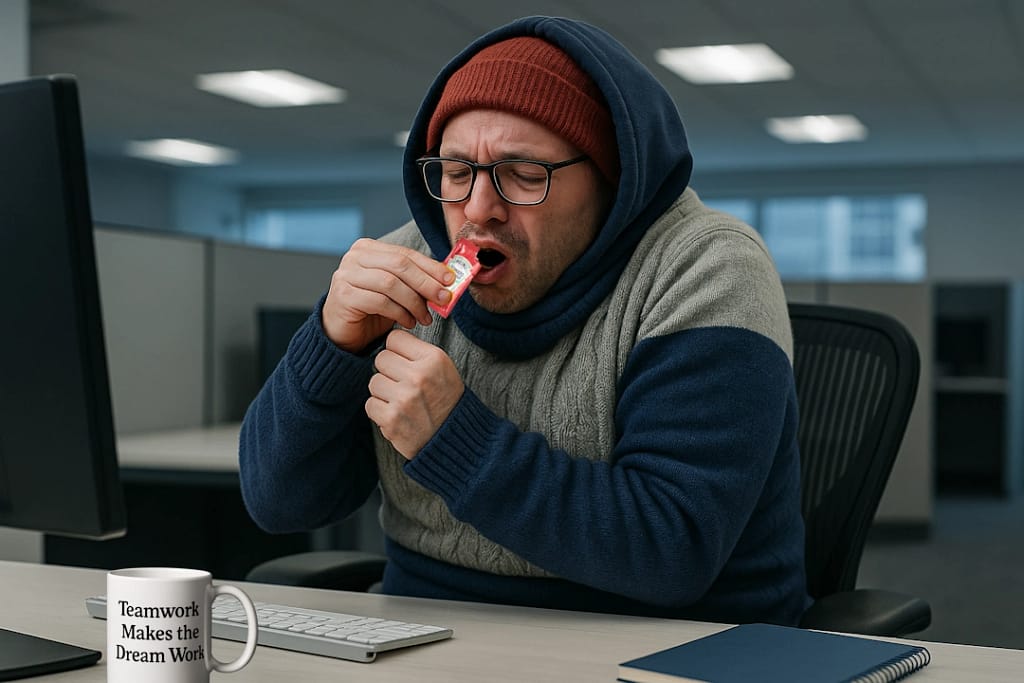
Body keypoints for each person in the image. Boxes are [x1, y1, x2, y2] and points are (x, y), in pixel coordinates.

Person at [239, 15, 810, 626]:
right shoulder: (406, 265)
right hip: (426, 635)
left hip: (670, 643)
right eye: (457, 173)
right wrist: (331, 349)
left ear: (612, 180)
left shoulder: (705, 267)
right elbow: (280, 504)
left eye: (523, 173)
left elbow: (671, 550)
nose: (479, 210)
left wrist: (453, 441)